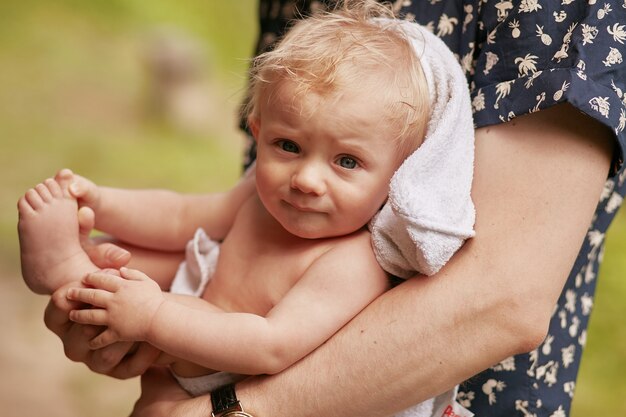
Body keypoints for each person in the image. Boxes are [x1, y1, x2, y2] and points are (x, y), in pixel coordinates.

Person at [40, 1, 626, 416]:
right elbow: (182, 216)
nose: (307, 179)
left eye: (347, 162)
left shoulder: (356, 262)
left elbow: (270, 345)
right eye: (288, 146)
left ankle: (83, 278)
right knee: (107, 283)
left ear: (401, 174)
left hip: (243, 382)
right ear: (258, 129)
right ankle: (68, 263)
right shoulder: (261, 198)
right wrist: (101, 202)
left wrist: (152, 318)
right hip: (185, 352)